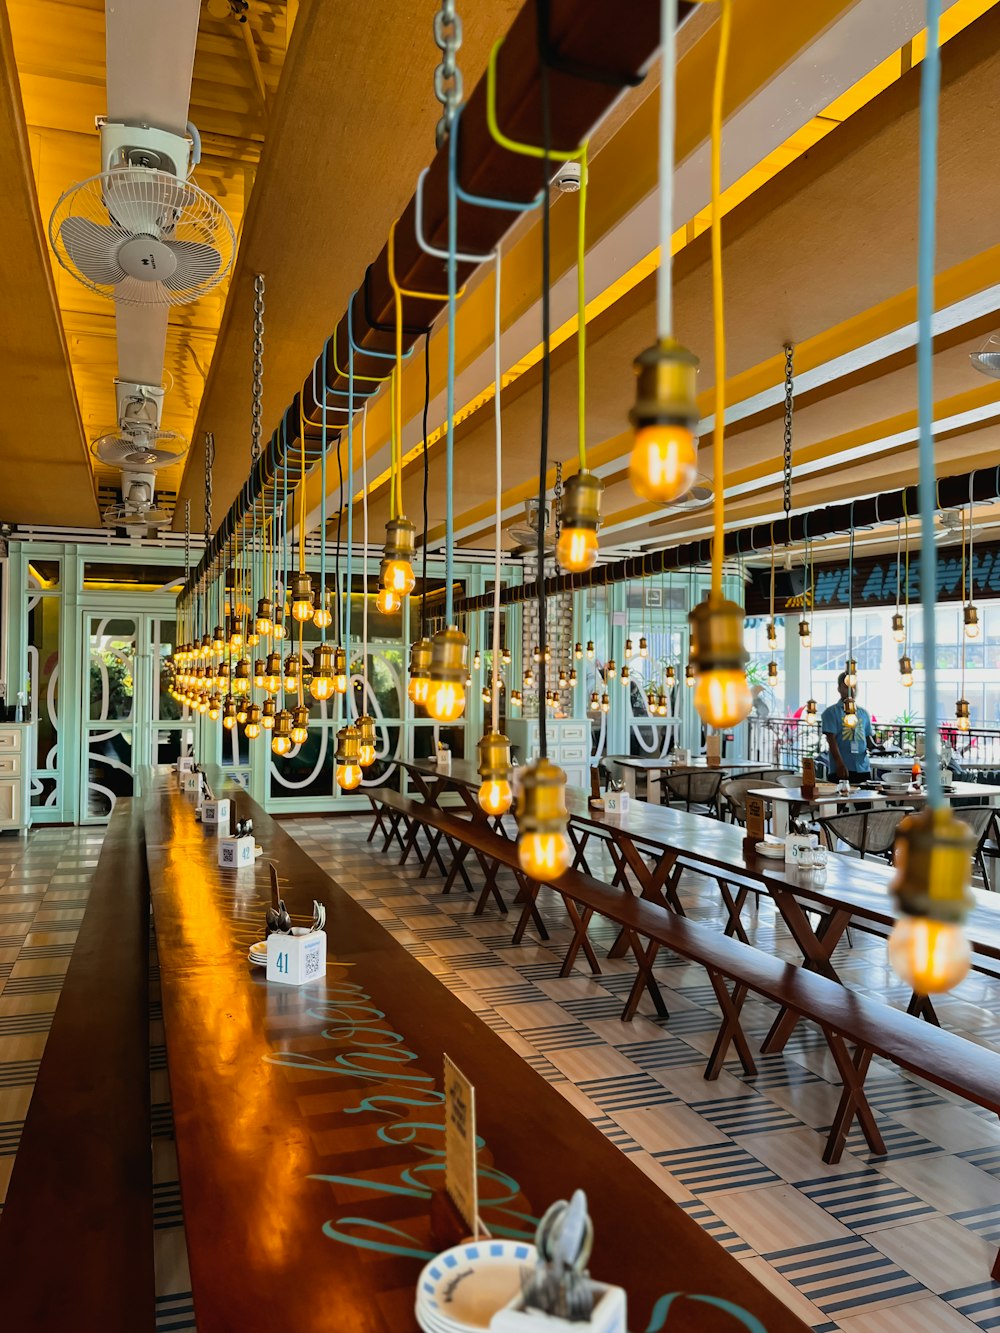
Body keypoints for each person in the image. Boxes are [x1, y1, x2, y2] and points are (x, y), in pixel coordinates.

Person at [821, 672, 877, 783]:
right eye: (847, 687)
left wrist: (878, 747)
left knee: (864, 799)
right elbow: (831, 740)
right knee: (841, 798)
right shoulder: (831, 713)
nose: (852, 690)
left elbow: (867, 738)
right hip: (841, 767)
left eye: (854, 687)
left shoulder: (863, 713)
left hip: (862, 767)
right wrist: (840, 764)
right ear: (839, 689)